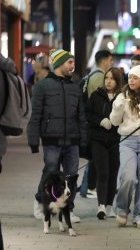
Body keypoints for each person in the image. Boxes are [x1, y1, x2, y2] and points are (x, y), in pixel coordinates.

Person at [28, 48, 87, 222]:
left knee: (71, 176)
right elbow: (36, 114)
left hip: (72, 140)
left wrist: (83, 140)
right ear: (60, 64)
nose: (73, 65)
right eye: (70, 62)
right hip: (51, 139)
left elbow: (81, 116)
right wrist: (33, 140)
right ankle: (40, 202)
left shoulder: (75, 87)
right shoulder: (42, 86)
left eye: (73, 62)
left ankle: (68, 209)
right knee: (50, 171)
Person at [110, 59, 140, 228]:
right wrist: (117, 108)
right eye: (130, 77)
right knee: (127, 177)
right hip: (127, 141)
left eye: (135, 78)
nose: (131, 80)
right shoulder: (122, 96)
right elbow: (114, 122)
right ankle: (122, 210)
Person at [86, 68, 124, 219]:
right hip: (98, 139)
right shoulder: (96, 95)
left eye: (112, 78)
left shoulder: (123, 97)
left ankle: (109, 206)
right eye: (106, 78)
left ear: (118, 81)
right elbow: (88, 113)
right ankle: (101, 206)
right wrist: (100, 121)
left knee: (113, 173)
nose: (108, 81)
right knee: (103, 172)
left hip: (116, 140)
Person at [80, 49, 114, 199]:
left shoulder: (91, 75)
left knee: (94, 158)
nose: (111, 63)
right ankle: (90, 187)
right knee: (95, 159)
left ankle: (87, 187)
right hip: (96, 123)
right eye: (110, 60)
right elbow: (98, 102)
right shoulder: (99, 77)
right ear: (104, 60)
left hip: (91, 121)